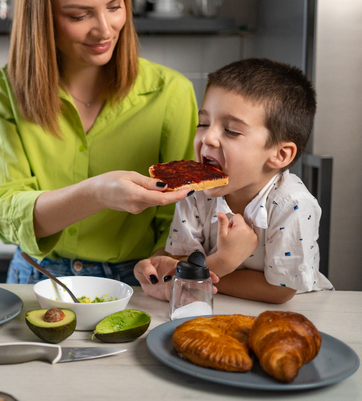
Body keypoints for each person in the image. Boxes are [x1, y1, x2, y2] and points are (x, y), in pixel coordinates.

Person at [0, 0, 199, 285]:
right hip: (37, 277)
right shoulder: (6, 89)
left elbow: (183, 214)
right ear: (41, 16)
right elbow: (6, 212)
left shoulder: (171, 92)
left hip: (136, 280)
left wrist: (164, 265)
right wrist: (97, 193)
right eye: (79, 16)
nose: (105, 29)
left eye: (115, 6)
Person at [135, 58, 334, 303]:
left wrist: (218, 265)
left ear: (279, 154)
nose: (208, 138)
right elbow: (178, 261)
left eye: (231, 131)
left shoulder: (292, 204)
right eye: (204, 123)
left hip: (303, 313)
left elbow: (280, 291)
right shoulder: (195, 193)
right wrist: (157, 264)